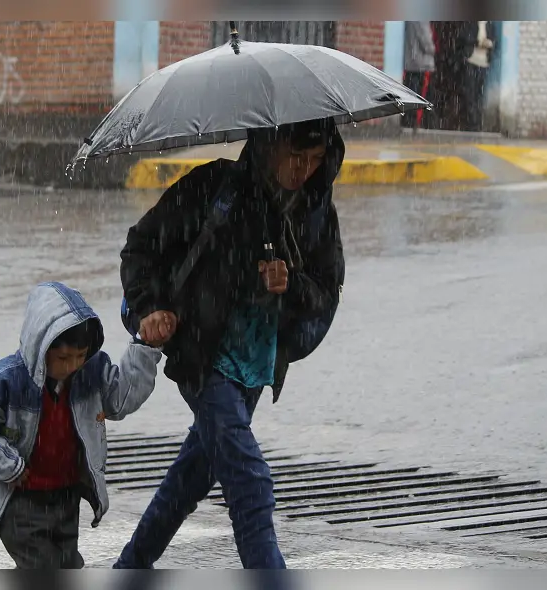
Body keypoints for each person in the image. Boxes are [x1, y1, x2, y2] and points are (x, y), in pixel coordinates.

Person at [112, 118, 346, 573]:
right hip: (203, 354)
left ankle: (130, 568)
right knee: (249, 481)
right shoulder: (216, 186)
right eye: (295, 156)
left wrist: (291, 283)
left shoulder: (315, 211)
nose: (303, 170)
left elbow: (326, 290)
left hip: (256, 365)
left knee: (193, 476)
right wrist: (149, 308)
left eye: (315, 160)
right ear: (269, 144)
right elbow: (141, 247)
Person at [0, 281, 163, 570]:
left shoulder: (90, 372)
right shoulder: (8, 381)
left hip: (65, 495)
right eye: (63, 357)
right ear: (40, 346)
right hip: (19, 499)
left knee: (67, 566)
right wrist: (8, 465)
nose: (72, 365)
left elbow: (122, 399)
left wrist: (144, 349)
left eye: (80, 355)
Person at [456, 20, 497, 132]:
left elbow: (494, 41)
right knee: (470, 93)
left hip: (483, 64)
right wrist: (477, 42)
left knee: (479, 94)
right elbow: (463, 39)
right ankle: (472, 123)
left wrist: (490, 44)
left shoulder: (490, 25)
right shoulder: (470, 23)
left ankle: (477, 123)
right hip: (471, 62)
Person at [403, 21, 436, 130]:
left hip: (412, 63)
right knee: (419, 97)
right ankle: (414, 125)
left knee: (410, 95)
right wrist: (435, 49)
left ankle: (409, 124)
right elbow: (426, 43)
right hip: (421, 63)